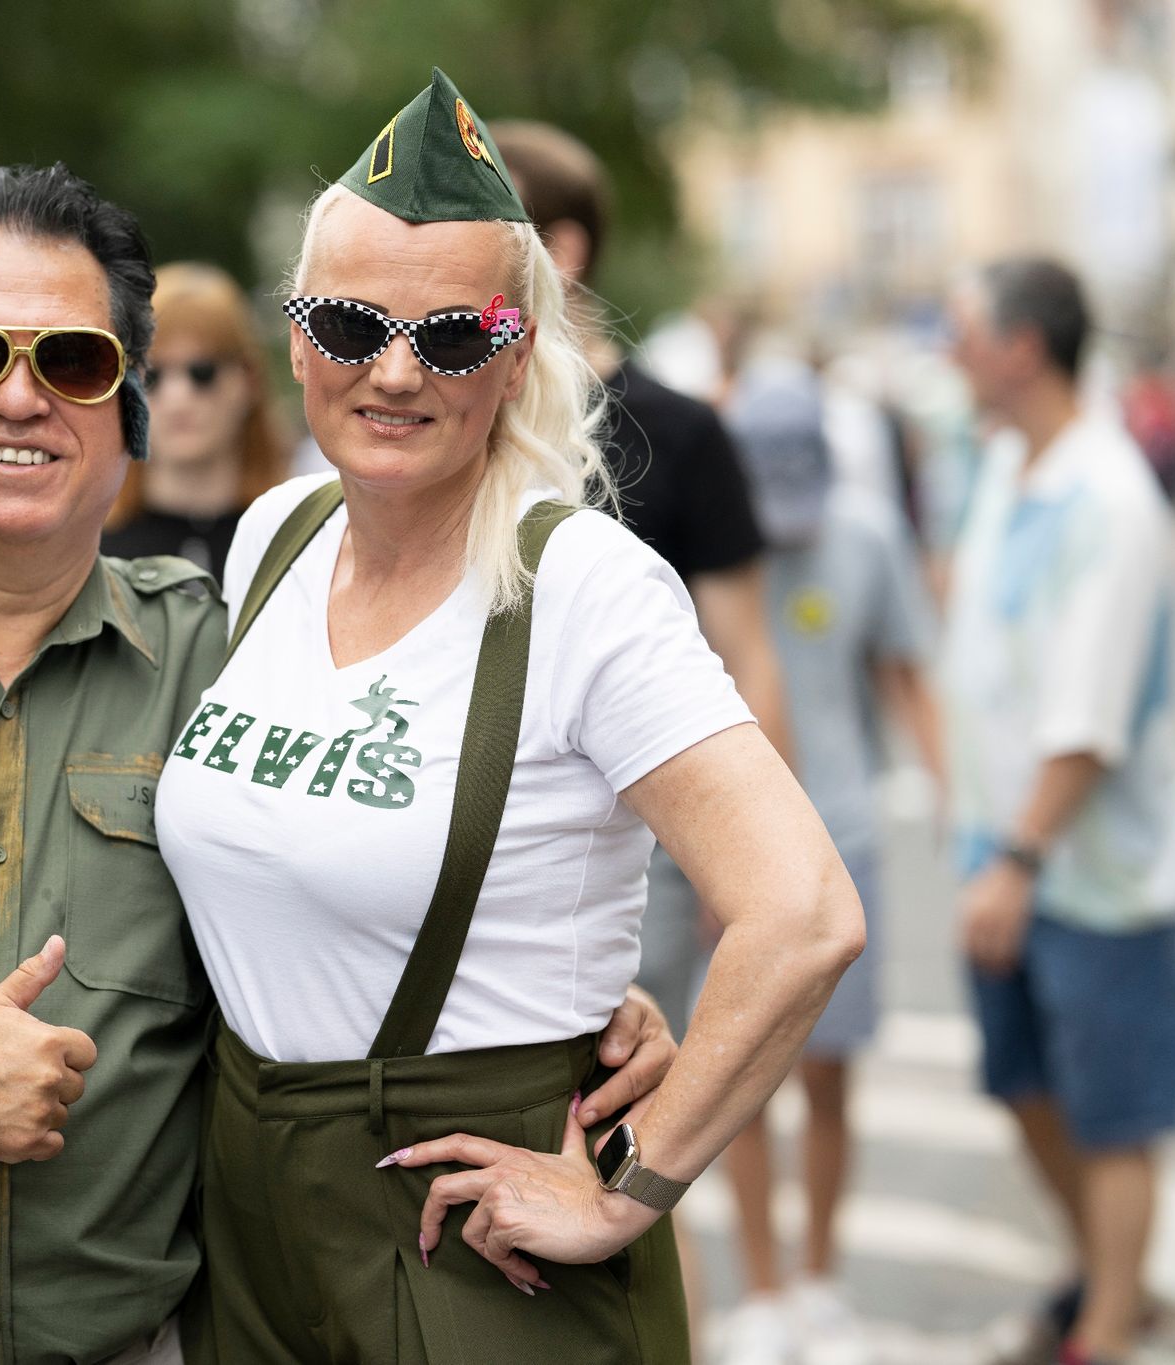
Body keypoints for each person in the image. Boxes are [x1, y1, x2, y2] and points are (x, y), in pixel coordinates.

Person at [0, 162, 677, 1365]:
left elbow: (352, 888)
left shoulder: (235, 663)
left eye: (71, 363)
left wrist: (569, 1016)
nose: (16, 399)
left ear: (130, 405)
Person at [152, 70, 864, 1364]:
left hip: (465, 1223)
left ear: (520, 348)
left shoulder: (584, 586)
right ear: (298, 339)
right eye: (351, 323)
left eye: (455, 336)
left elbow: (805, 912)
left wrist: (628, 1186)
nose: (395, 372)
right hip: (247, 1196)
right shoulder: (274, 536)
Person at [943, 258, 1175, 1365]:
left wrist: (1015, 856)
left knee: (1113, 1115)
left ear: (1020, 348)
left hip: (1091, 870)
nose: (950, 352)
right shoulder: (1009, 464)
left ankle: (1105, 1330)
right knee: (1022, 1084)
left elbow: (1087, 717)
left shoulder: (1105, 495)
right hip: (1001, 848)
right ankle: (1106, 1279)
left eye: (963, 331)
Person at [491, 119, 790, 1042]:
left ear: (562, 250)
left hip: (641, 830)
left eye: (491, 236)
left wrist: (750, 858)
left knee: (619, 1091)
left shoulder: (683, 430)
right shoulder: (462, 416)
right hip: (479, 826)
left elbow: (745, 648)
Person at [695, 358, 944, 1365]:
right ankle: (757, 1288)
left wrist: (951, 807)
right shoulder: (706, 540)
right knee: (734, 1075)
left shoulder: (867, 537)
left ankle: (819, 1280)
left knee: (832, 1078)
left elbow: (902, 677)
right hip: (725, 847)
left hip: (841, 836)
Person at [101, 262, 290, 580]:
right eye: (153, 376)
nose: (178, 398)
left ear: (248, 381)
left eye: (202, 372)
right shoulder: (91, 553)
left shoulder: (296, 545)